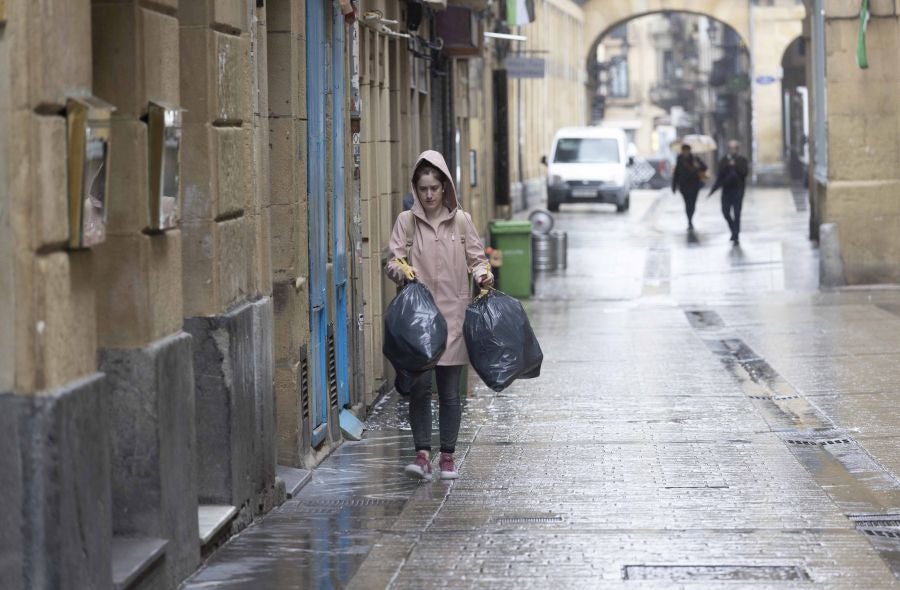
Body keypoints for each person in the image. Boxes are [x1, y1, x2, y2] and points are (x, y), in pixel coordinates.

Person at [385, 150, 494, 481]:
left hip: (453, 317)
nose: (429, 195)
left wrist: (482, 274)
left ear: (445, 187)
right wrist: (401, 270)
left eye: (434, 188)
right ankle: (421, 456)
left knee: (449, 392)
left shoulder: (461, 221)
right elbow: (392, 261)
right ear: (415, 190)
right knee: (419, 388)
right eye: (423, 189)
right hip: (418, 321)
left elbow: (477, 258)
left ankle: (447, 457)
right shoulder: (406, 222)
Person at [708, 140, 749, 244]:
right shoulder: (724, 160)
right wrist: (713, 190)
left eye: (734, 148)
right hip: (726, 190)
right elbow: (720, 175)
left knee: (737, 213)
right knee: (725, 212)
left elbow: (744, 173)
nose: (732, 150)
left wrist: (735, 165)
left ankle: (736, 234)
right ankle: (733, 229)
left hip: (738, 190)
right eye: (731, 148)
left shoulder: (741, 160)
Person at [671, 144, 707, 231]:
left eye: (687, 150)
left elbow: (704, 167)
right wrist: (674, 186)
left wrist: (697, 166)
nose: (686, 152)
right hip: (684, 186)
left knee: (693, 203)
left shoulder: (695, 159)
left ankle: (690, 217)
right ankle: (689, 220)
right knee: (687, 203)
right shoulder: (679, 159)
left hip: (694, 185)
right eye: (684, 150)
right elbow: (676, 173)